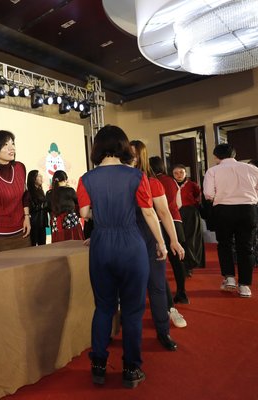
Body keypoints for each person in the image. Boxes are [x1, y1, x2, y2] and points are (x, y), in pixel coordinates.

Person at [76, 125, 167, 388]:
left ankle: (98, 366)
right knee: (133, 310)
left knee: (104, 306)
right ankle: (131, 369)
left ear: (97, 147)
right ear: (123, 146)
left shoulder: (86, 178)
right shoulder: (136, 176)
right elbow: (148, 212)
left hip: (101, 244)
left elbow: (84, 213)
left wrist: (104, 214)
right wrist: (161, 242)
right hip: (131, 244)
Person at [130, 141, 186, 349]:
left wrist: (173, 240)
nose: (130, 157)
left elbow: (164, 212)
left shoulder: (152, 182)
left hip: (150, 237)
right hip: (125, 239)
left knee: (157, 285)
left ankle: (163, 331)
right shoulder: (120, 181)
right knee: (129, 288)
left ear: (142, 157)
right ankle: (130, 333)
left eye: (134, 154)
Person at [203, 143, 258, 298]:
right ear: (234, 155)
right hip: (248, 209)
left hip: (223, 210)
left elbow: (208, 194)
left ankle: (230, 278)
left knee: (225, 245)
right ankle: (245, 286)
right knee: (246, 247)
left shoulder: (213, 171)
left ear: (216, 156)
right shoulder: (251, 168)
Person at [149, 156, 190, 304]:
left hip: (159, 221)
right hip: (176, 220)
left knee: (158, 258)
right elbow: (178, 203)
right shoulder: (171, 180)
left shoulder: (152, 181)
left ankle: (161, 295)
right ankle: (182, 292)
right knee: (177, 259)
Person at [172, 164, 206, 275]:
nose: (179, 175)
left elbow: (198, 197)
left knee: (191, 239)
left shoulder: (192, 185)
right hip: (176, 213)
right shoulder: (171, 185)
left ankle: (189, 265)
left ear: (186, 173)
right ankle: (181, 264)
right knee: (180, 239)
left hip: (190, 213)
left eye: (181, 172)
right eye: (176, 173)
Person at [46, 170, 84, 242]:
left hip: (56, 223)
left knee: (59, 244)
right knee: (75, 244)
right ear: (65, 180)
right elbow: (78, 203)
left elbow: (48, 208)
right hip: (71, 221)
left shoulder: (49, 193)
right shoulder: (70, 190)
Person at [26, 170, 49, 246]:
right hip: (34, 223)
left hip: (42, 222)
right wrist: (46, 204)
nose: (41, 177)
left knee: (43, 245)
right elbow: (32, 207)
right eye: (39, 176)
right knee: (33, 245)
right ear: (33, 178)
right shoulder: (29, 192)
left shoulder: (41, 191)